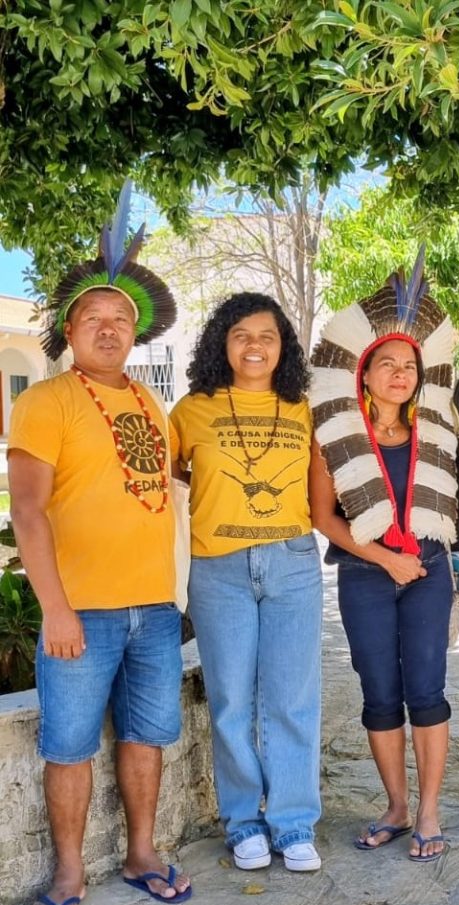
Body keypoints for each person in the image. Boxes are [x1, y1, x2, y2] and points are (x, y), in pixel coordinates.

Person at [9, 184, 191, 905]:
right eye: (94, 318)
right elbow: (25, 508)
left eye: (121, 319)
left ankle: (142, 851)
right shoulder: (45, 401)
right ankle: (69, 868)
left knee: (147, 735)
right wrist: (54, 606)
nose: (109, 328)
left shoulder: (151, 404)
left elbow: (166, 489)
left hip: (153, 607)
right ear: (71, 328)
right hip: (80, 608)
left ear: (136, 330)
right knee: (71, 745)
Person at [309, 255, 458, 861]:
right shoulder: (334, 435)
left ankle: (428, 811)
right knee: (379, 691)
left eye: (409, 366)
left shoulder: (441, 426)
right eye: (387, 365)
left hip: (428, 573)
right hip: (365, 575)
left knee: (426, 689)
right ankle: (396, 806)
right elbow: (323, 517)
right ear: (363, 373)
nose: (399, 375)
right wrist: (383, 559)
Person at [170, 292, 322, 873]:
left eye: (267, 335)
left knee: (292, 697)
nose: (254, 345)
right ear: (221, 344)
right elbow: (172, 474)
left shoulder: (304, 408)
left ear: (283, 347)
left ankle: (292, 822)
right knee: (232, 698)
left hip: (292, 561)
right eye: (241, 334)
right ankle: (243, 823)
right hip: (219, 567)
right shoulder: (191, 410)